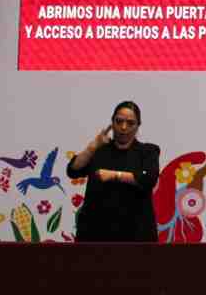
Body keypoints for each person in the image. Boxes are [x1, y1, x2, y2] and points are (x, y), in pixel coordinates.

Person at [66, 100, 160, 242]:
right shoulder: (99, 150)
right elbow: (73, 170)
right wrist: (92, 147)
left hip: (136, 235)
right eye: (119, 121)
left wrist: (114, 175)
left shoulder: (148, 151)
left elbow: (148, 179)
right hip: (94, 234)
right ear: (112, 122)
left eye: (130, 123)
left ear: (138, 126)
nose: (123, 127)